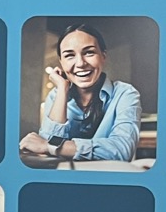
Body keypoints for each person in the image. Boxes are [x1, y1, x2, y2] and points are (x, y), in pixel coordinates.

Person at [20, 22, 141, 163]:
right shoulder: (56, 95)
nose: (80, 63)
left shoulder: (125, 94)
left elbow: (122, 150)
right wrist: (62, 89)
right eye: (69, 55)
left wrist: (53, 147)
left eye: (89, 52)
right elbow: (47, 149)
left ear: (103, 56)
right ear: (61, 62)